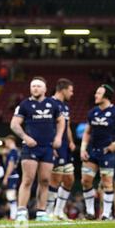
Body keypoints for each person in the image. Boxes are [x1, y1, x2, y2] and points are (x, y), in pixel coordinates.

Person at [10, 76, 65, 222]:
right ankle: (22, 211)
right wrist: (25, 137)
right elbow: (14, 124)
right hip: (30, 148)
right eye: (33, 86)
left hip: (47, 147)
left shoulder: (53, 104)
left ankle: (41, 212)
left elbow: (61, 121)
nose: (35, 88)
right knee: (28, 179)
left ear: (45, 89)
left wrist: (58, 137)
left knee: (45, 180)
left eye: (38, 86)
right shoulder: (24, 105)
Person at [80, 84, 115, 220]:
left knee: (107, 183)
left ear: (106, 96)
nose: (95, 95)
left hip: (107, 153)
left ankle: (105, 214)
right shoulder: (92, 112)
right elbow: (87, 132)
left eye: (98, 93)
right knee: (86, 180)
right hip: (92, 152)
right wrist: (82, 149)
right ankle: (90, 211)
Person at [46, 78, 76, 220]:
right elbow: (48, 126)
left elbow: (67, 125)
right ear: (63, 90)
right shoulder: (49, 103)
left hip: (65, 146)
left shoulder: (65, 107)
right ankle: (48, 211)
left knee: (69, 179)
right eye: (70, 90)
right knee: (55, 178)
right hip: (55, 145)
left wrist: (70, 141)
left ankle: (58, 211)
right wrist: (51, 144)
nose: (72, 93)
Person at [2, 135, 21, 220]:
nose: (5, 143)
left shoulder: (13, 151)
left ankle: (13, 215)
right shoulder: (14, 151)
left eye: (6, 141)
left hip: (12, 175)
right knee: (11, 195)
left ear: (10, 140)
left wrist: (6, 177)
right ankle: (13, 214)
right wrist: (4, 156)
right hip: (14, 175)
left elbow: (10, 165)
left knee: (11, 195)